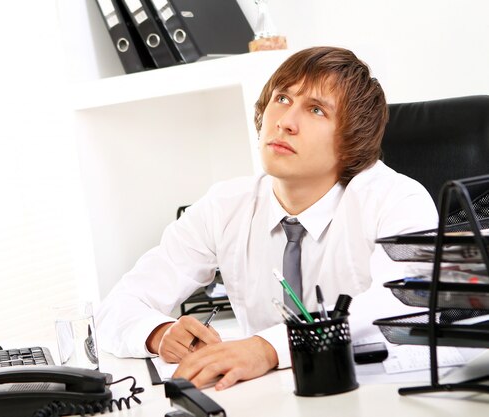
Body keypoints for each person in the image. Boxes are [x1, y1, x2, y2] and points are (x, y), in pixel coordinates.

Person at [95, 46, 438, 391]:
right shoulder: (225, 206)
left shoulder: (397, 201)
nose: (285, 122)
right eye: (283, 99)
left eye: (316, 110)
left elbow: (404, 304)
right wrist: (160, 333)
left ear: (352, 142)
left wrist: (268, 347)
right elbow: (117, 307)